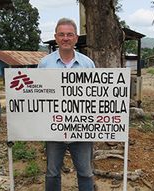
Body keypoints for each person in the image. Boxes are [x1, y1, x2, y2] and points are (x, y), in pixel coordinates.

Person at [38, 18, 95, 191]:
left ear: (76, 38)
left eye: (69, 34)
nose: (65, 38)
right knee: (52, 172)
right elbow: (37, 97)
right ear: (56, 37)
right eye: (61, 34)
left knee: (85, 172)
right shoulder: (44, 64)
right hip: (53, 129)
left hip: (82, 129)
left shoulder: (88, 64)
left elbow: (96, 97)